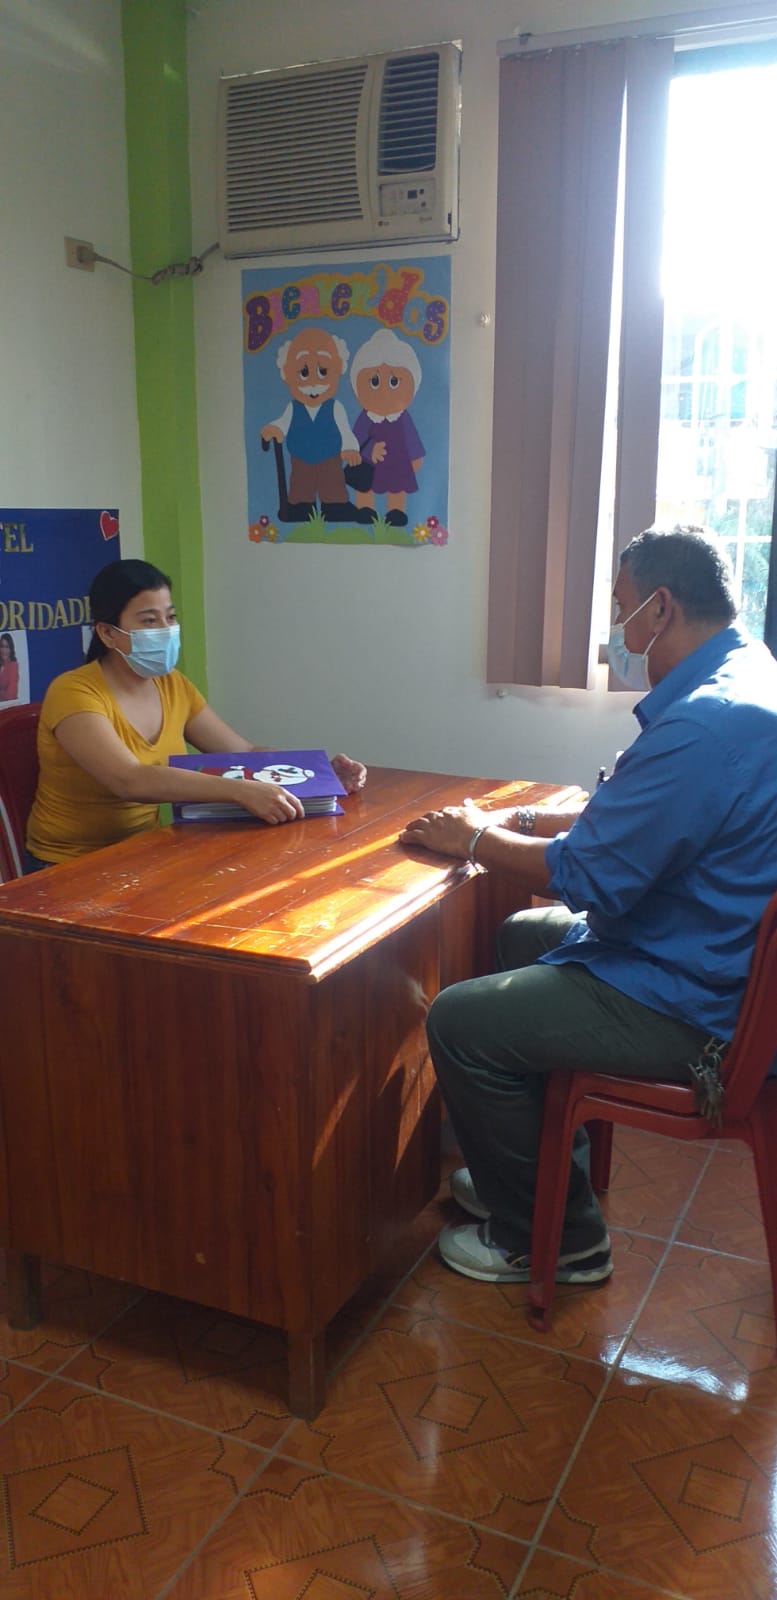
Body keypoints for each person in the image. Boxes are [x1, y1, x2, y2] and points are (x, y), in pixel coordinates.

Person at [400, 527, 777, 1287]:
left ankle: (559, 1240)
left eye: (620, 607)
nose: (617, 630)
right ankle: (533, 1178)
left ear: (661, 608)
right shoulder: (746, 674)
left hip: (694, 1005)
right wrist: (519, 820)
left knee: (460, 1022)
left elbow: (589, 878)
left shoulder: (705, 722)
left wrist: (474, 838)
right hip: (704, 952)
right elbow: (636, 816)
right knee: (519, 936)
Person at [25, 558, 366, 870]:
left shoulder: (172, 684)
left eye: (170, 617)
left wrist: (317, 776)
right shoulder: (73, 692)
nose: (165, 629)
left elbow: (243, 753)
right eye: (149, 620)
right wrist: (240, 791)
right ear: (108, 633)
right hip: (66, 865)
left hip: (143, 851)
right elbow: (130, 780)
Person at [350, 329, 426, 527]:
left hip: (397, 461)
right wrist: (369, 450)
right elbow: (355, 441)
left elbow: (411, 439)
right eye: (374, 382)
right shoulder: (366, 418)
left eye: (394, 381)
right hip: (369, 462)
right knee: (365, 484)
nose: (384, 390)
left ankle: (396, 511)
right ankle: (364, 508)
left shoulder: (403, 418)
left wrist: (415, 457)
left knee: (397, 487)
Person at [0, 633, 19, 702]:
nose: (4, 650)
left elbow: (10, 695)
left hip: (8, 705)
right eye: (1, 646)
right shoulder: (1, 664)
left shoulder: (13, 666)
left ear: (11, 649)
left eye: (7, 647)